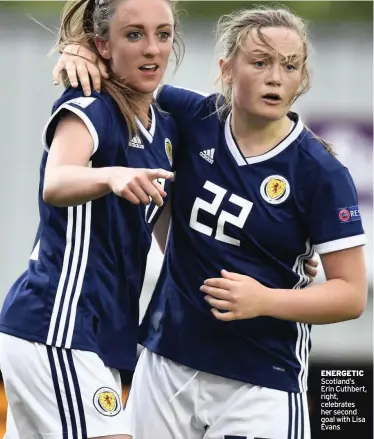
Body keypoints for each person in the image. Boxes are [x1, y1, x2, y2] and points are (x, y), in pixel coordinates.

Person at [50, 5, 362, 439]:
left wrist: (265, 299)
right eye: (260, 62)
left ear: (302, 77)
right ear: (227, 69)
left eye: (290, 66)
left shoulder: (321, 173)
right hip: (167, 364)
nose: (276, 77)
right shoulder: (191, 116)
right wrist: (78, 51)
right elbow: (126, 72)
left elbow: (350, 295)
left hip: (261, 381)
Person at [0, 0, 183, 437]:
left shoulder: (167, 126)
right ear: (102, 44)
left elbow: (170, 238)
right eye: (134, 34)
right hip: (57, 326)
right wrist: (112, 175)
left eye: (163, 34)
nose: (152, 49)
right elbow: (57, 181)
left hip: (96, 332)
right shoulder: (92, 105)